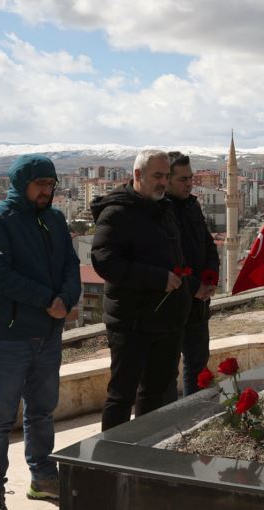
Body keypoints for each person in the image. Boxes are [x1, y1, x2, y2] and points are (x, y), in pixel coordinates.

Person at [0, 154, 81, 510]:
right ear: (21, 184)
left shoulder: (54, 219)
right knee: (0, 418)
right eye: (40, 185)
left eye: (51, 185)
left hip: (48, 335)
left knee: (42, 411)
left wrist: (67, 299)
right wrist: (48, 301)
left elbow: (71, 263)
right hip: (9, 337)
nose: (46, 191)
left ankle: (42, 477)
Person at [91, 150, 190, 430]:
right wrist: (157, 278)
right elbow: (105, 262)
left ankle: (144, 455)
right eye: (157, 176)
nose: (163, 182)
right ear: (137, 175)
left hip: (166, 321)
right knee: (121, 396)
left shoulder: (164, 209)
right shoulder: (116, 213)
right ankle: (111, 459)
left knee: (155, 395)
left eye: (166, 176)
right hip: (130, 323)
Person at [166, 152, 220, 396]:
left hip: (198, 303)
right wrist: (194, 286)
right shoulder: (160, 211)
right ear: (166, 180)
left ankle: (196, 419)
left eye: (190, 178)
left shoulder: (192, 205)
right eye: (182, 179)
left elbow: (207, 244)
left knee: (198, 365)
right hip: (174, 303)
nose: (188, 183)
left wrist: (210, 278)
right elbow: (167, 259)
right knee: (166, 371)